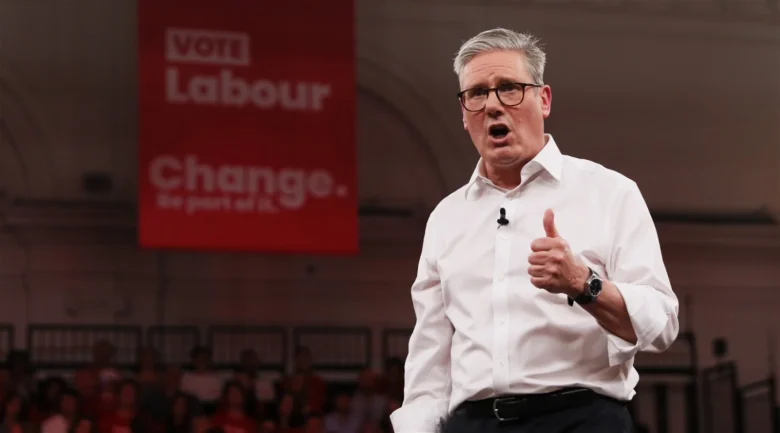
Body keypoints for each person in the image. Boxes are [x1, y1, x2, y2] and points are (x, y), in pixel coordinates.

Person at [389, 28, 679, 433]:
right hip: (473, 424)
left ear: (543, 99)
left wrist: (584, 284)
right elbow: (429, 358)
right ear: (464, 115)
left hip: (580, 419)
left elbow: (661, 325)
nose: (493, 105)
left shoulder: (609, 192)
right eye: (477, 93)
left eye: (509, 88)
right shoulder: (446, 218)